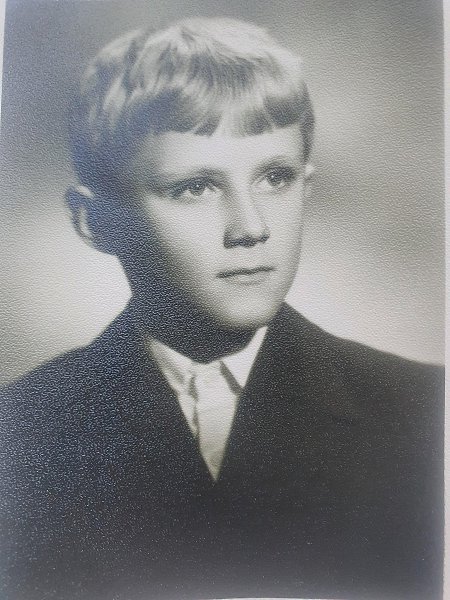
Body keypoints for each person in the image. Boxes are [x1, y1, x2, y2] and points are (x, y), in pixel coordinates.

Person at [1, 17, 443, 600]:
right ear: (97, 222)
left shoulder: (423, 415)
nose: (251, 227)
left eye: (275, 178)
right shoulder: (21, 432)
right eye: (195, 188)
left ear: (306, 187)